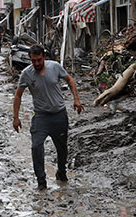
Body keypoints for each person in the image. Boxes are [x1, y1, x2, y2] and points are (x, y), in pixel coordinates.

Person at [12, 45, 83, 190]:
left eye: (39, 60)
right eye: (33, 61)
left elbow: (69, 80)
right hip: (41, 116)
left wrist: (76, 99)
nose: (37, 64)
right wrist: (16, 117)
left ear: (44, 57)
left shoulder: (55, 67)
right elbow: (18, 95)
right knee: (36, 146)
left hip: (59, 115)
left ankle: (61, 172)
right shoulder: (27, 73)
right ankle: (41, 181)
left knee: (61, 147)